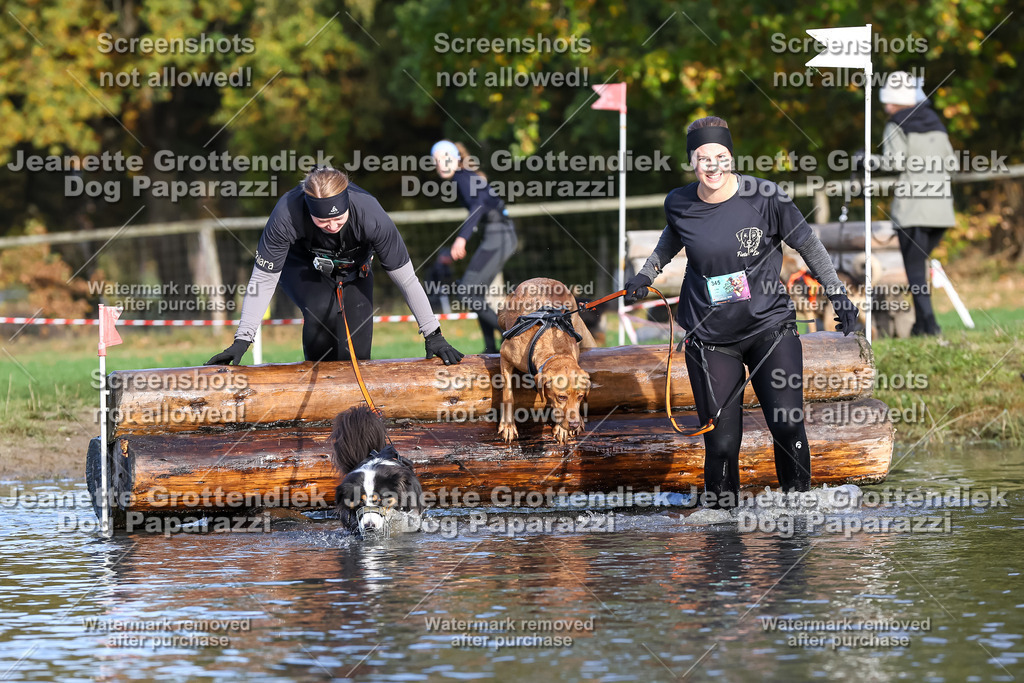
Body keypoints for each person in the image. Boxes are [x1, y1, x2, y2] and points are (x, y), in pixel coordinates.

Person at [623, 116, 861, 509]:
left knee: (787, 424)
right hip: (710, 335)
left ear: (731, 158)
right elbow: (672, 237)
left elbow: (810, 247)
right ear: (692, 162)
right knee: (721, 441)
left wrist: (839, 296)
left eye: (721, 156)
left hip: (769, 327)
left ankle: (798, 511)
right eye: (703, 158)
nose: (712, 165)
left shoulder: (766, 197)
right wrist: (646, 273)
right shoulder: (679, 202)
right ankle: (721, 528)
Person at [207, 166, 464, 366]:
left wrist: (433, 334)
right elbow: (262, 281)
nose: (332, 226)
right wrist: (243, 339)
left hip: (355, 268)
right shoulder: (286, 214)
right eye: (322, 221)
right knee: (321, 310)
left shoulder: (371, 214)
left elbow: (407, 280)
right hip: (303, 266)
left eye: (339, 218)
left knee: (358, 352)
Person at [879, 71, 957, 336]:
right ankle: (920, 326)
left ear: (892, 101)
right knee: (920, 268)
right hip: (941, 211)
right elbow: (952, 163)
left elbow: (895, 162)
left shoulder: (895, 125)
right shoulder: (936, 123)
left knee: (915, 272)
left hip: (912, 209)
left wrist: (866, 161)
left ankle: (930, 326)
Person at [430, 140, 517, 354]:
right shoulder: (464, 177)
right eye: (436, 160)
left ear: (456, 158)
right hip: (496, 236)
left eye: (445, 158)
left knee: (467, 291)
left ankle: (516, 335)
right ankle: (491, 349)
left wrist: (462, 239)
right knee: (474, 293)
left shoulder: (463, 178)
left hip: (499, 236)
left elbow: (478, 206)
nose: (441, 164)